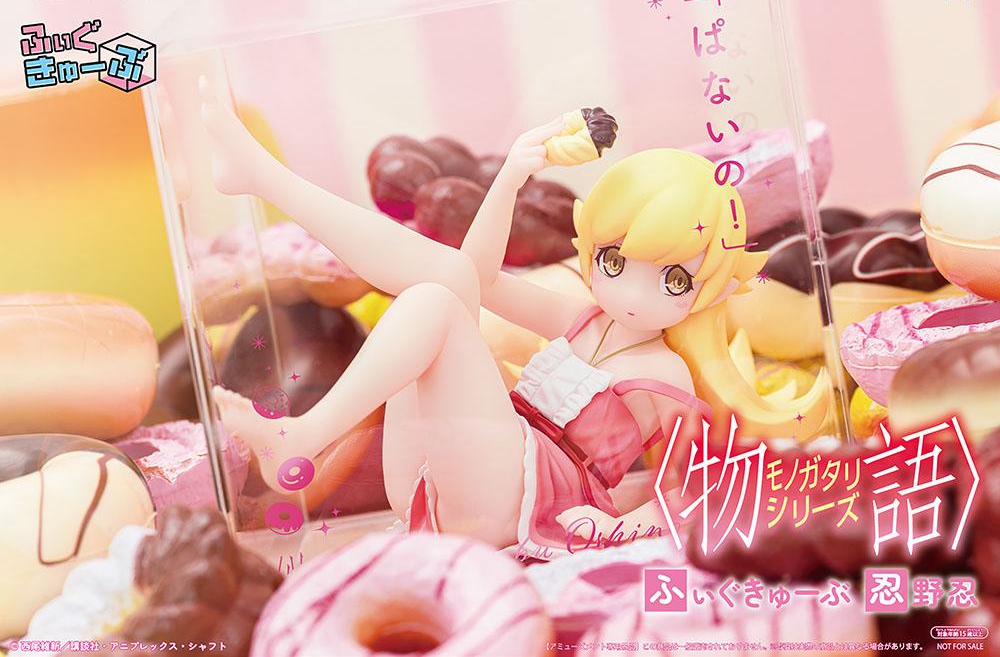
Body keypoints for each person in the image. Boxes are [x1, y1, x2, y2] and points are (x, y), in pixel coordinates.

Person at [200, 79, 829, 553]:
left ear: (712, 289)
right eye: (615, 261)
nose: (634, 293)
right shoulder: (583, 319)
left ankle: (302, 438)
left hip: (525, 503)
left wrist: (614, 528)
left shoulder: (669, 377)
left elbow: (695, 490)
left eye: (673, 279)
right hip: (448, 477)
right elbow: (480, 279)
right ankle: (262, 177)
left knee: (440, 296)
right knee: (442, 282)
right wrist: (511, 175)